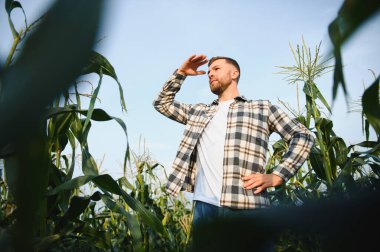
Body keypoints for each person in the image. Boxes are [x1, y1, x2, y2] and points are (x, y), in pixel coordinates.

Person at [153, 54, 314, 251]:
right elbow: (162, 104)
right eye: (209, 71)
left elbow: (302, 135)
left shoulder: (262, 108)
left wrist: (278, 175)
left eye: (217, 69)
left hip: (247, 205)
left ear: (234, 73)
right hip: (205, 209)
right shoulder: (199, 112)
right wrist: (180, 74)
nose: (210, 73)